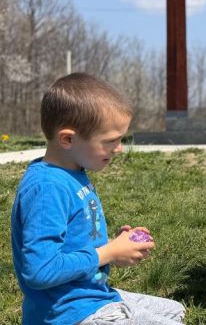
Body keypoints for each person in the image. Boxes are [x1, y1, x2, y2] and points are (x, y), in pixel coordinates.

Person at [10, 73, 186, 325]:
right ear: (68, 139)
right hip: (66, 312)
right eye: (110, 141)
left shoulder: (73, 172)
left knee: (175, 311)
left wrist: (117, 245)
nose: (119, 148)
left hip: (90, 295)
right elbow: (39, 270)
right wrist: (108, 253)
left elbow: (75, 241)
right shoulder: (47, 188)